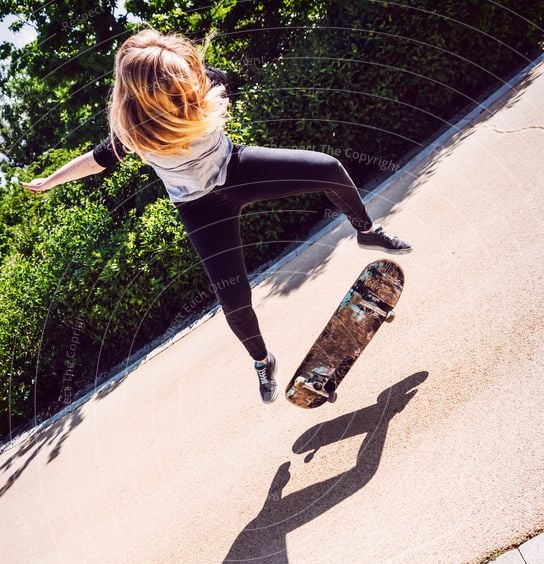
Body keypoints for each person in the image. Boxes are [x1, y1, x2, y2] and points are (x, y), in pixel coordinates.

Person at [21, 28, 411, 404]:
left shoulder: (204, 81)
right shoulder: (134, 129)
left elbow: (222, 81)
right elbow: (96, 160)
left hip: (238, 169)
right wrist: (50, 181)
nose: (188, 89)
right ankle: (262, 360)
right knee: (234, 298)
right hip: (200, 209)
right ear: (147, 95)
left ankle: (366, 230)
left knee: (327, 168)